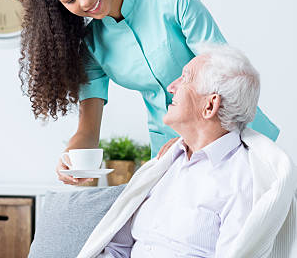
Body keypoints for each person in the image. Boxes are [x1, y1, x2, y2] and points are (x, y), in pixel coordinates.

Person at [14, 0, 279, 185]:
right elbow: (88, 131)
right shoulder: (92, 45)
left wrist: (192, 139)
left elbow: (227, 76)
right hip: (170, 155)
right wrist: (71, 158)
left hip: (236, 138)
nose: (84, 1)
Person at [77, 44, 297, 257]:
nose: (171, 87)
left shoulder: (242, 182)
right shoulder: (165, 164)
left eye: (185, 78)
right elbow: (117, 248)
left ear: (210, 106)